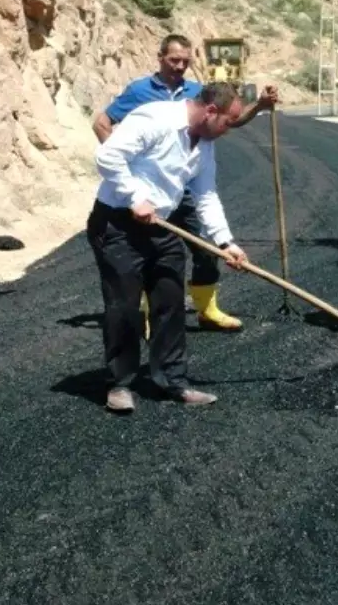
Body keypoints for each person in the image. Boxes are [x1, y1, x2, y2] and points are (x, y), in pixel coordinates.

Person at [92, 33, 278, 331]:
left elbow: (228, 119)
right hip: (138, 201)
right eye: (174, 60)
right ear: (160, 58)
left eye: (185, 61)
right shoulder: (140, 92)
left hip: (182, 190)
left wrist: (260, 106)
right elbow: (102, 125)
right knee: (138, 268)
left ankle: (207, 310)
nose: (180, 66)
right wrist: (132, 179)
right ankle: (141, 313)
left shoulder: (199, 92)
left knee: (205, 249)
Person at [88, 83, 250, 411]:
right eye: (228, 123)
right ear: (210, 111)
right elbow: (108, 156)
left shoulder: (204, 143)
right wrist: (135, 197)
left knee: (170, 302)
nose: (228, 131)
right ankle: (120, 383)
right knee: (124, 306)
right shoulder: (156, 118)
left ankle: (173, 381)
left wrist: (225, 241)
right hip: (118, 224)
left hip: (163, 227)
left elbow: (205, 193)